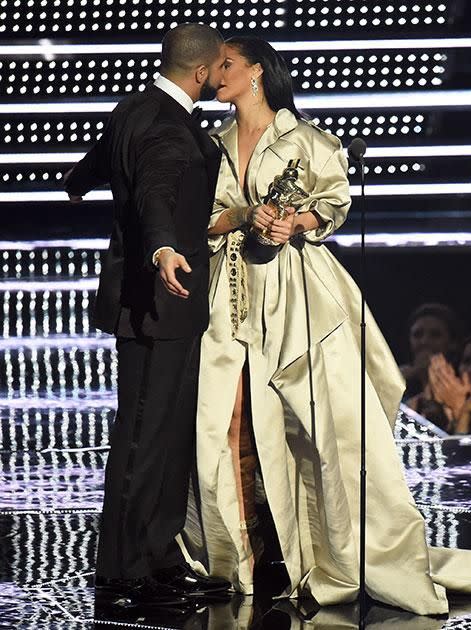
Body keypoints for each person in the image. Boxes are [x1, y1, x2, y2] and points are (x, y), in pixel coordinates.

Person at [178, 36, 471, 616]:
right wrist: (243, 216)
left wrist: (293, 220)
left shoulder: (308, 140)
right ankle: (234, 566)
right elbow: (198, 219)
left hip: (298, 294)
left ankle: (338, 557)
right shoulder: (212, 147)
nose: (214, 73)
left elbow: (334, 203)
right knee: (225, 425)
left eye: (226, 63)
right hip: (231, 294)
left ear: (254, 73)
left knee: (325, 431)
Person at [64, 24, 231, 605]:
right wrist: (162, 247)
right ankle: (125, 568)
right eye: (218, 69)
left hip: (164, 307)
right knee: (143, 435)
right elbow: (155, 192)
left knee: (164, 434)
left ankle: (158, 557)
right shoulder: (166, 125)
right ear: (202, 71)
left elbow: (101, 162)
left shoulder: (133, 108)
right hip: (160, 302)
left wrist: (78, 183)